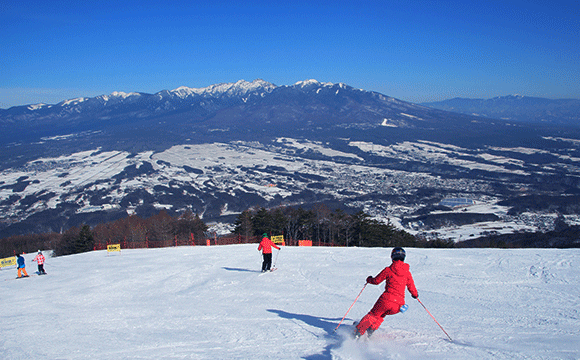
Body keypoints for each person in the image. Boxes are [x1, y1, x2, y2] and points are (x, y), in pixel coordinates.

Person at [354, 247, 418, 338]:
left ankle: (358, 332)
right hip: (398, 305)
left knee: (373, 315)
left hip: (386, 300)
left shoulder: (388, 270)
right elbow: (411, 287)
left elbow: (376, 281)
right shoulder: (407, 272)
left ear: (392, 257)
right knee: (382, 314)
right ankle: (371, 329)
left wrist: (369, 279)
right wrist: (415, 295)